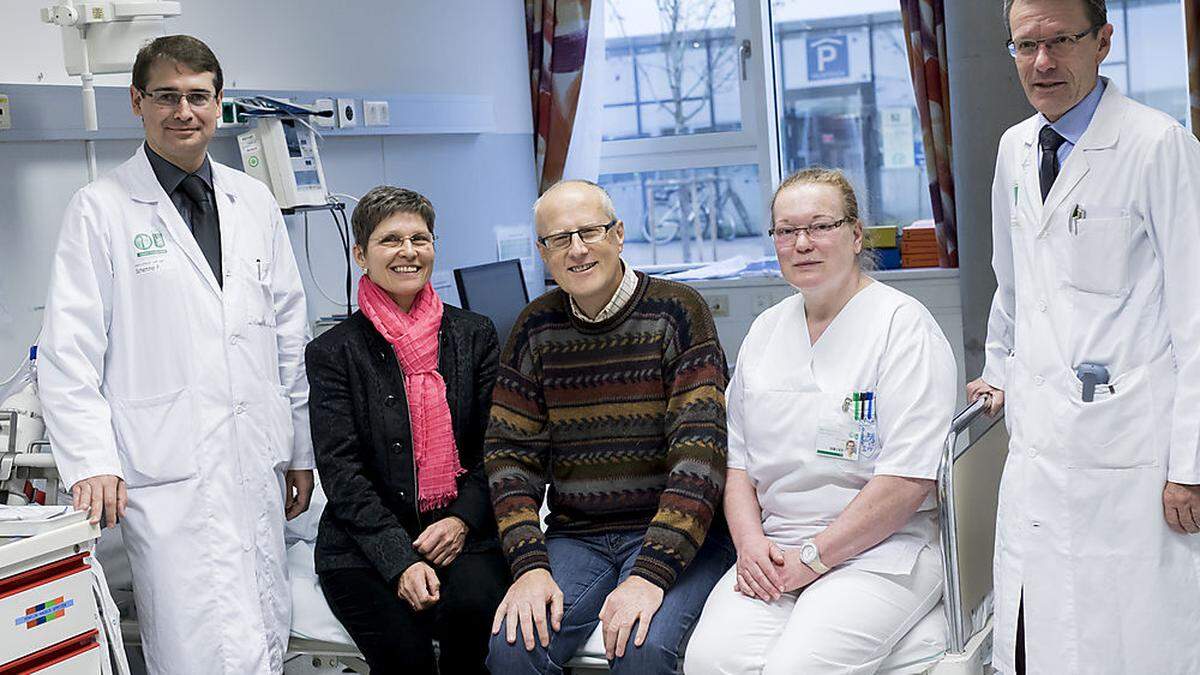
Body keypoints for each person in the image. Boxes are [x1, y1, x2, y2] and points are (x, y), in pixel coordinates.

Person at [37, 35, 313, 673]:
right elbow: (69, 350)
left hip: (256, 459)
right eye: (166, 96)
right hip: (165, 470)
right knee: (192, 641)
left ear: (220, 104)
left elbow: (287, 338)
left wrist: (299, 448)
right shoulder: (100, 210)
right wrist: (91, 461)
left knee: (265, 628)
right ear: (138, 102)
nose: (183, 111)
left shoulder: (254, 202)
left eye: (198, 96)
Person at [967, 1, 1200, 672]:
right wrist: (1002, 368)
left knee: (1135, 636)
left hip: (1135, 451)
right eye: (1024, 46)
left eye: (1059, 42)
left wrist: (1190, 465)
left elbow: (1195, 315)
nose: (1041, 62)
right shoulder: (1015, 149)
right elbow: (1012, 285)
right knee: (1048, 634)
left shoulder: (1158, 146)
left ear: (1101, 41)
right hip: (1043, 444)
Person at [683, 168, 955, 675]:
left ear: (856, 236)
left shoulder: (903, 326)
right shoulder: (765, 331)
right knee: (709, 661)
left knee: (797, 668)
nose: (802, 243)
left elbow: (908, 479)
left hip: (883, 552)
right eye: (786, 231)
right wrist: (749, 547)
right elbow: (737, 466)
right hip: (773, 551)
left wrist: (814, 558)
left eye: (820, 226)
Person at [484, 180, 735, 674]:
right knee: (513, 649)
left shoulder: (679, 312)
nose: (576, 250)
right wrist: (529, 566)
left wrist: (651, 573)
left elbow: (700, 454)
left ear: (618, 235)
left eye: (589, 232)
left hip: (681, 531)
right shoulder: (535, 327)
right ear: (543, 252)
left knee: (642, 650)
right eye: (559, 239)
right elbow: (509, 455)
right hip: (579, 535)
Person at [305, 186, 509, 674]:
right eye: (390, 240)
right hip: (365, 544)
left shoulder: (473, 335)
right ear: (361, 254)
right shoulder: (334, 351)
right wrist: (399, 561)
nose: (408, 252)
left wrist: (461, 520)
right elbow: (341, 472)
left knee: (476, 625)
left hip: (461, 530)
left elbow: (497, 449)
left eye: (420, 238)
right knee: (407, 658)